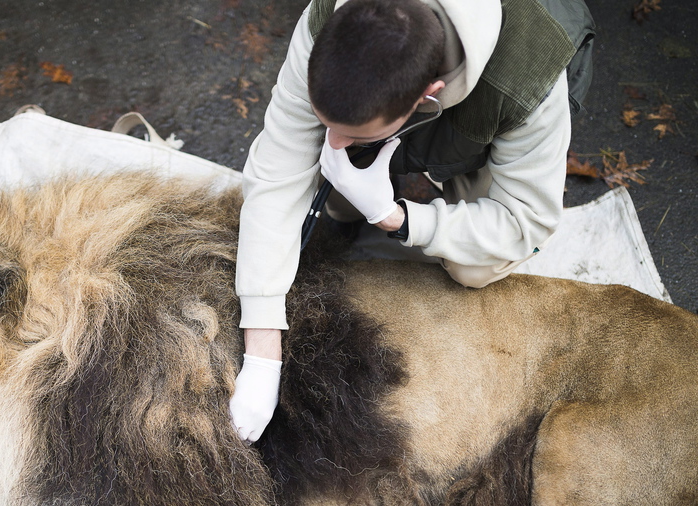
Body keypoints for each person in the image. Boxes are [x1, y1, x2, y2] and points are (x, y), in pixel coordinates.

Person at [229, 0, 594, 443]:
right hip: (401, 105)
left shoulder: (529, 83)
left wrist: (396, 217)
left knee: (475, 267)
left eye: (354, 135)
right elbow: (277, 172)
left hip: (490, 113)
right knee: (330, 168)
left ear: (429, 94)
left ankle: (399, 189)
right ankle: (349, 203)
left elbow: (523, 223)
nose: (334, 143)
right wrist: (263, 347)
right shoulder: (328, 17)